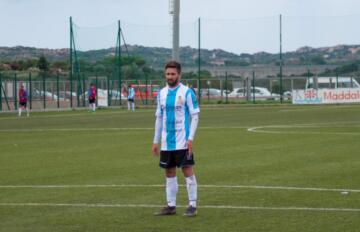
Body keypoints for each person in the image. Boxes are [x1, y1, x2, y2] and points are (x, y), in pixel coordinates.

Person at [152, 61, 200, 217]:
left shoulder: (187, 92)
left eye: (173, 74)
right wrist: (155, 141)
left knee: (187, 171)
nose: (170, 77)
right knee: (169, 172)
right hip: (167, 142)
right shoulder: (161, 94)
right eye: (167, 74)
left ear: (179, 74)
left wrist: (191, 138)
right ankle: (170, 206)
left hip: (183, 141)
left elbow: (195, 116)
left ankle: (192, 205)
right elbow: (159, 118)